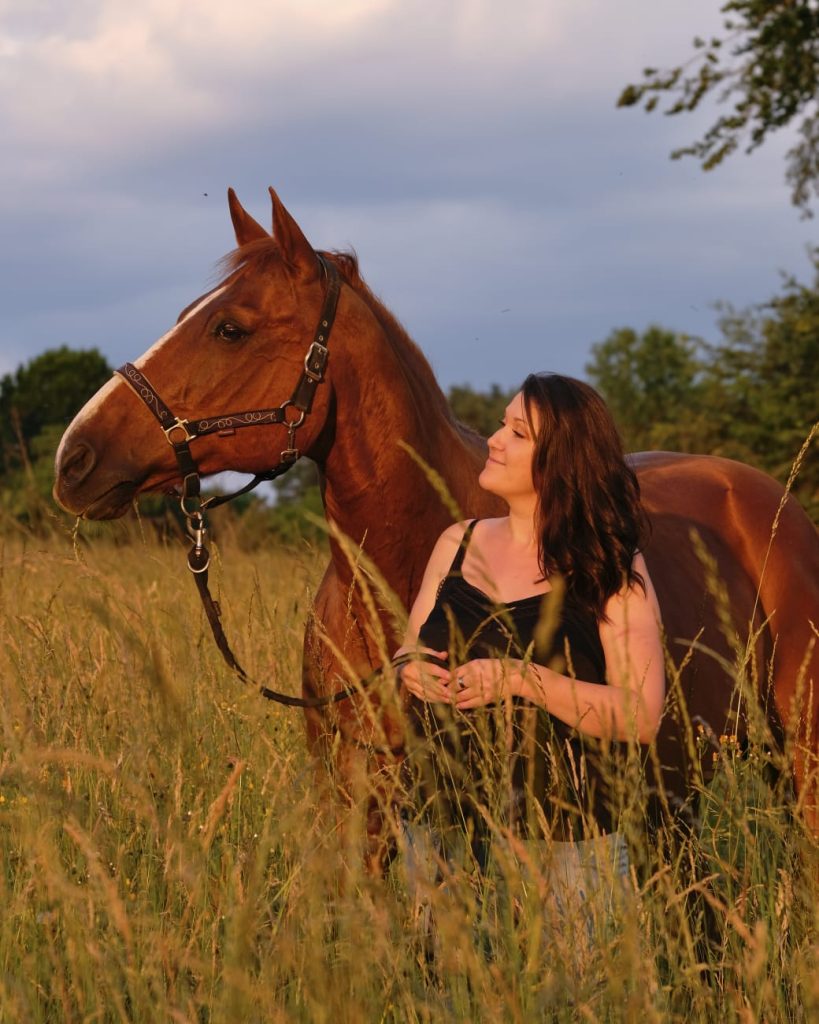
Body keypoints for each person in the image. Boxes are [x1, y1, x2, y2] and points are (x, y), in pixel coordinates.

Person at [394, 372, 665, 955]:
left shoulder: (611, 567)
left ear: (561, 463)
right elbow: (410, 644)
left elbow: (641, 716)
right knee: (443, 994)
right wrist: (409, 668)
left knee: (572, 1000)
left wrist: (522, 680)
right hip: (439, 821)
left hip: (564, 841)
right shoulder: (457, 541)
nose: (494, 439)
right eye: (502, 423)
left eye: (517, 433)